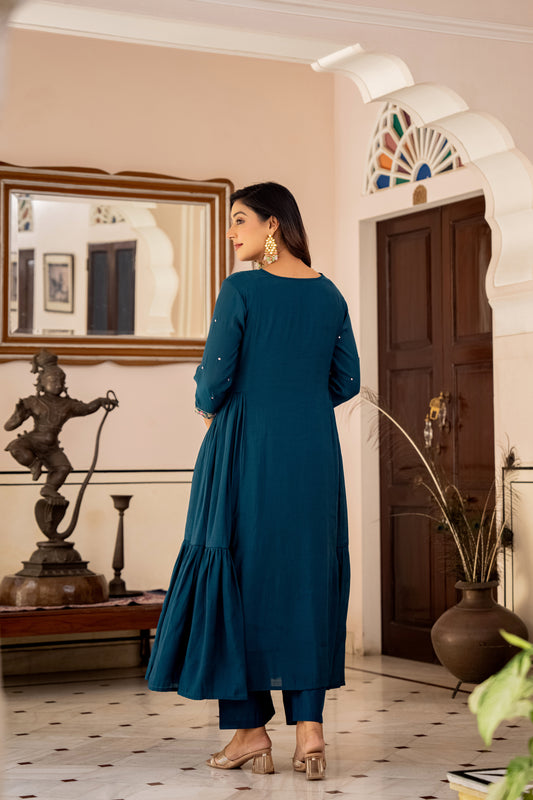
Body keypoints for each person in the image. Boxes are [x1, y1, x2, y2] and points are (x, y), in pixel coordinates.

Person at [146, 182, 360, 781]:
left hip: (245, 451)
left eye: (240, 220)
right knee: (305, 578)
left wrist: (219, 400)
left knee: (237, 577)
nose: (232, 232)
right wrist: (296, 399)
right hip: (313, 455)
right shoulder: (329, 294)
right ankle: (310, 734)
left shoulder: (241, 289)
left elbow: (212, 383)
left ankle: (249, 733)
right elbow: (346, 380)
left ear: (273, 225)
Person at [4, 349, 117, 503]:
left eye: (61, 381)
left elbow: (87, 408)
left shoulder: (67, 404)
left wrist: (100, 401)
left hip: (52, 447)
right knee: (15, 447)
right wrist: (18, 415)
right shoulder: (32, 402)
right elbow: (8, 427)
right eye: (53, 381)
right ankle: (34, 464)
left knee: (63, 468)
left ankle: (49, 488)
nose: (58, 384)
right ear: (42, 382)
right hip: (33, 441)